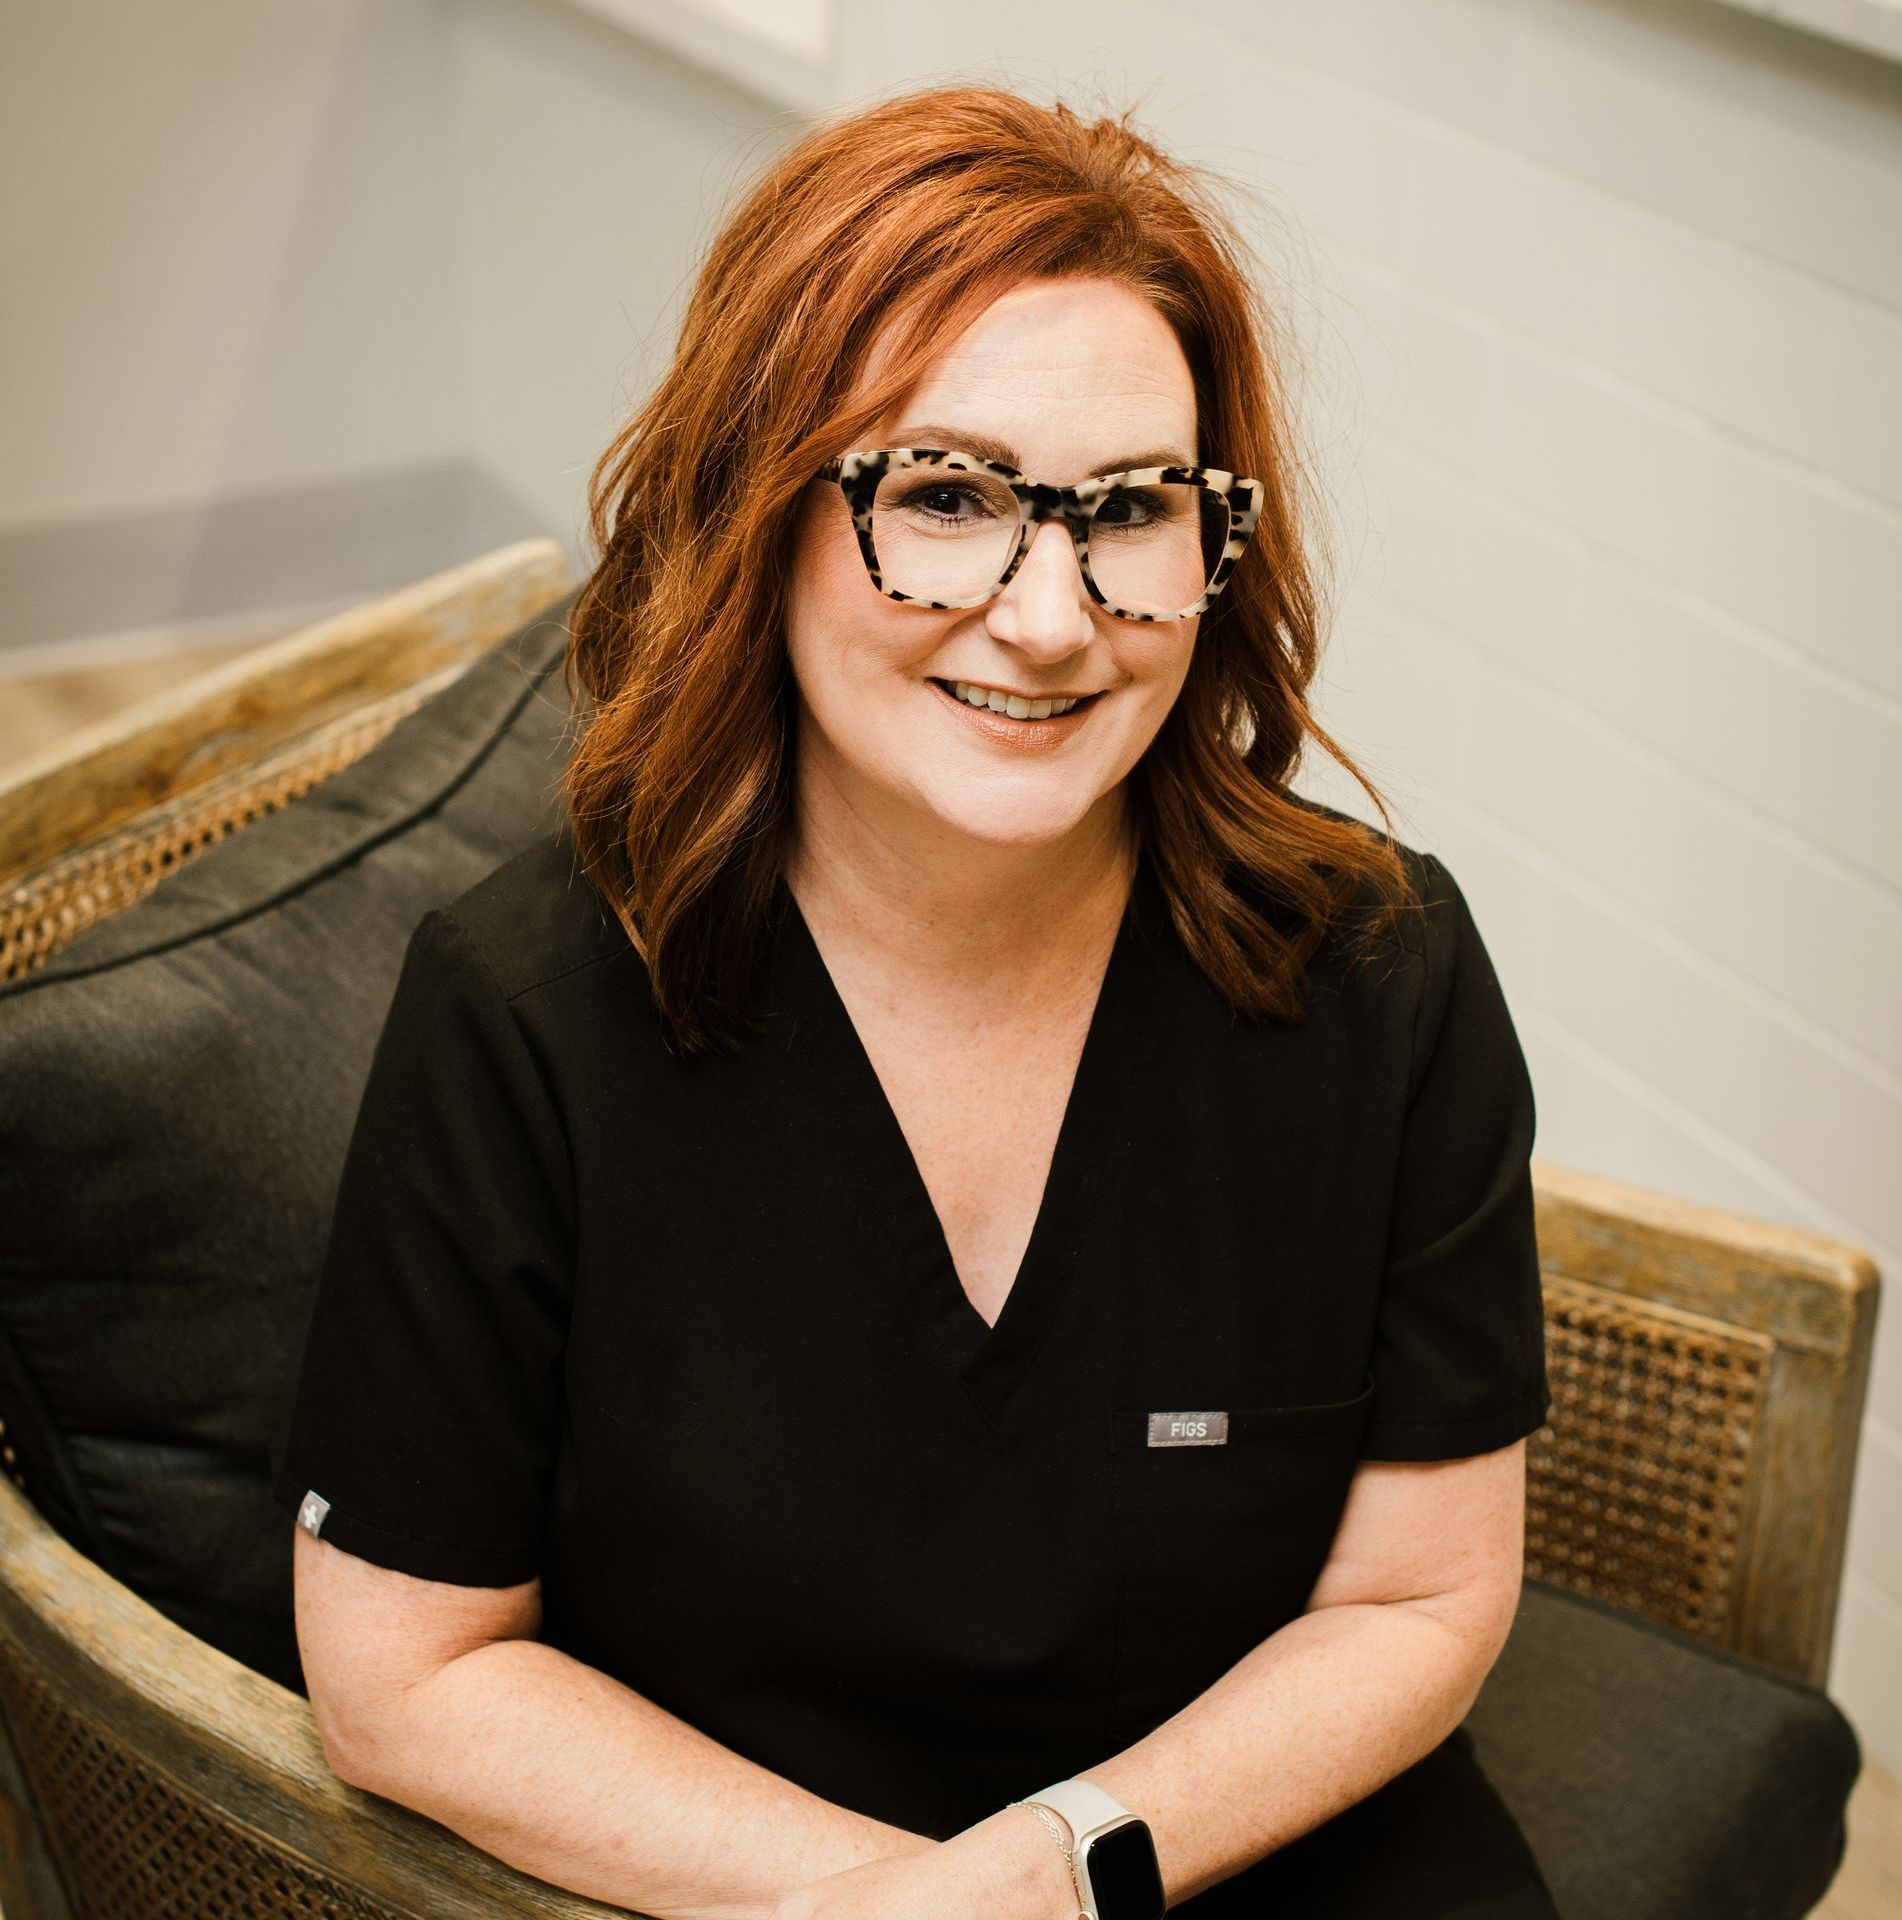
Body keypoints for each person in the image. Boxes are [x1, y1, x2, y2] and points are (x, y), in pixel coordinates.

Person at [272, 83, 1560, 1919]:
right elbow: (406, 1680)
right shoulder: (524, 1013)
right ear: (756, 519)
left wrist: (1062, 1872)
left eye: (1131, 510)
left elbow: (1423, 1596)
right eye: (944, 497)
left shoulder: (1380, 970)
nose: (1050, 615)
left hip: (1250, 1850)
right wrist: (919, 1910)